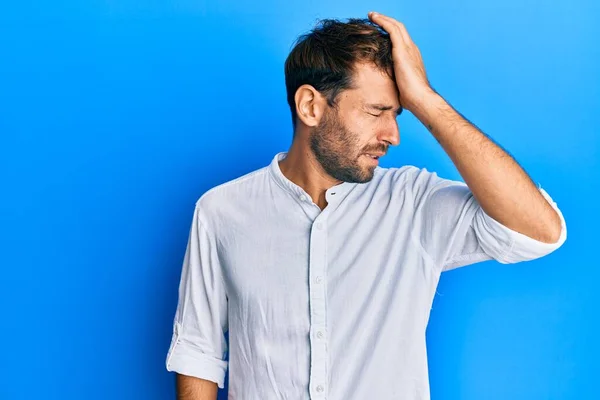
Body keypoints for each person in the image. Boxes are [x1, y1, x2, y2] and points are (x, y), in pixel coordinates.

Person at [165, 12, 567, 400]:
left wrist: (426, 100)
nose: (392, 135)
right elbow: (197, 352)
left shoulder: (413, 203)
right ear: (310, 107)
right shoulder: (221, 211)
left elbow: (539, 233)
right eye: (377, 111)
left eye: (398, 114)